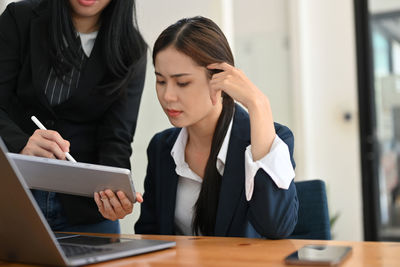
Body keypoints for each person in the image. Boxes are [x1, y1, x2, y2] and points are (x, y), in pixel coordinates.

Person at [98, 16, 298, 238]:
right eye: (161, 81)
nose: (167, 96)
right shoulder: (161, 147)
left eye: (182, 83)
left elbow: (276, 227)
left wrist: (258, 104)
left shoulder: (272, 139)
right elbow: (150, 236)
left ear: (220, 80)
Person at [0, 0, 147, 233]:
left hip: (87, 209)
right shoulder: (20, 18)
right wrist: (20, 145)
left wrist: (116, 193)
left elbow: (116, 139)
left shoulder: (131, 49)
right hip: (13, 196)